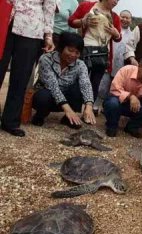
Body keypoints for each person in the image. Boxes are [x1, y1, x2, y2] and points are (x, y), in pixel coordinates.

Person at [0, 0, 56, 137]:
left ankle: (10, 121)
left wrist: (48, 36)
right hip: (4, 20)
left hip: (31, 28)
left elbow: (49, 7)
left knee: (21, 77)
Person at [31, 32, 96, 128]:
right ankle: (40, 115)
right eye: (70, 50)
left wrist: (89, 106)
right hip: (47, 96)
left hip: (66, 96)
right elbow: (52, 86)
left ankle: (68, 118)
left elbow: (86, 84)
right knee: (43, 96)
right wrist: (67, 108)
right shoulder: (46, 59)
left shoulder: (80, 64)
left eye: (77, 52)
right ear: (61, 48)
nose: (73, 55)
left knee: (78, 88)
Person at [68, 0, 121, 100]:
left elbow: (118, 38)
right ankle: (73, 111)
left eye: (118, 0)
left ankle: (87, 112)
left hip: (103, 54)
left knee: (95, 84)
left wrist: (116, 33)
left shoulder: (115, 17)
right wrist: (83, 21)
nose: (116, 2)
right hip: (85, 51)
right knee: (79, 80)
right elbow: (71, 21)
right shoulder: (86, 6)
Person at [103, 55, 142, 138]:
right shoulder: (126, 70)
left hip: (134, 107)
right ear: (140, 66)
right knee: (112, 103)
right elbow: (115, 89)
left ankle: (131, 128)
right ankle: (111, 126)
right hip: (118, 102)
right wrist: (131, 96)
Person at [93, 9, 134, 115]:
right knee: (103, 86)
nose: (124, 19)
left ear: (131, 20)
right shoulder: (113, 29)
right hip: (109, 62)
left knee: (115, 89)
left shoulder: (132, 34)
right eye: (122, 17)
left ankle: (107, 109)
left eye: (127, 18)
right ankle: (95, 105)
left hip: (122, 66)